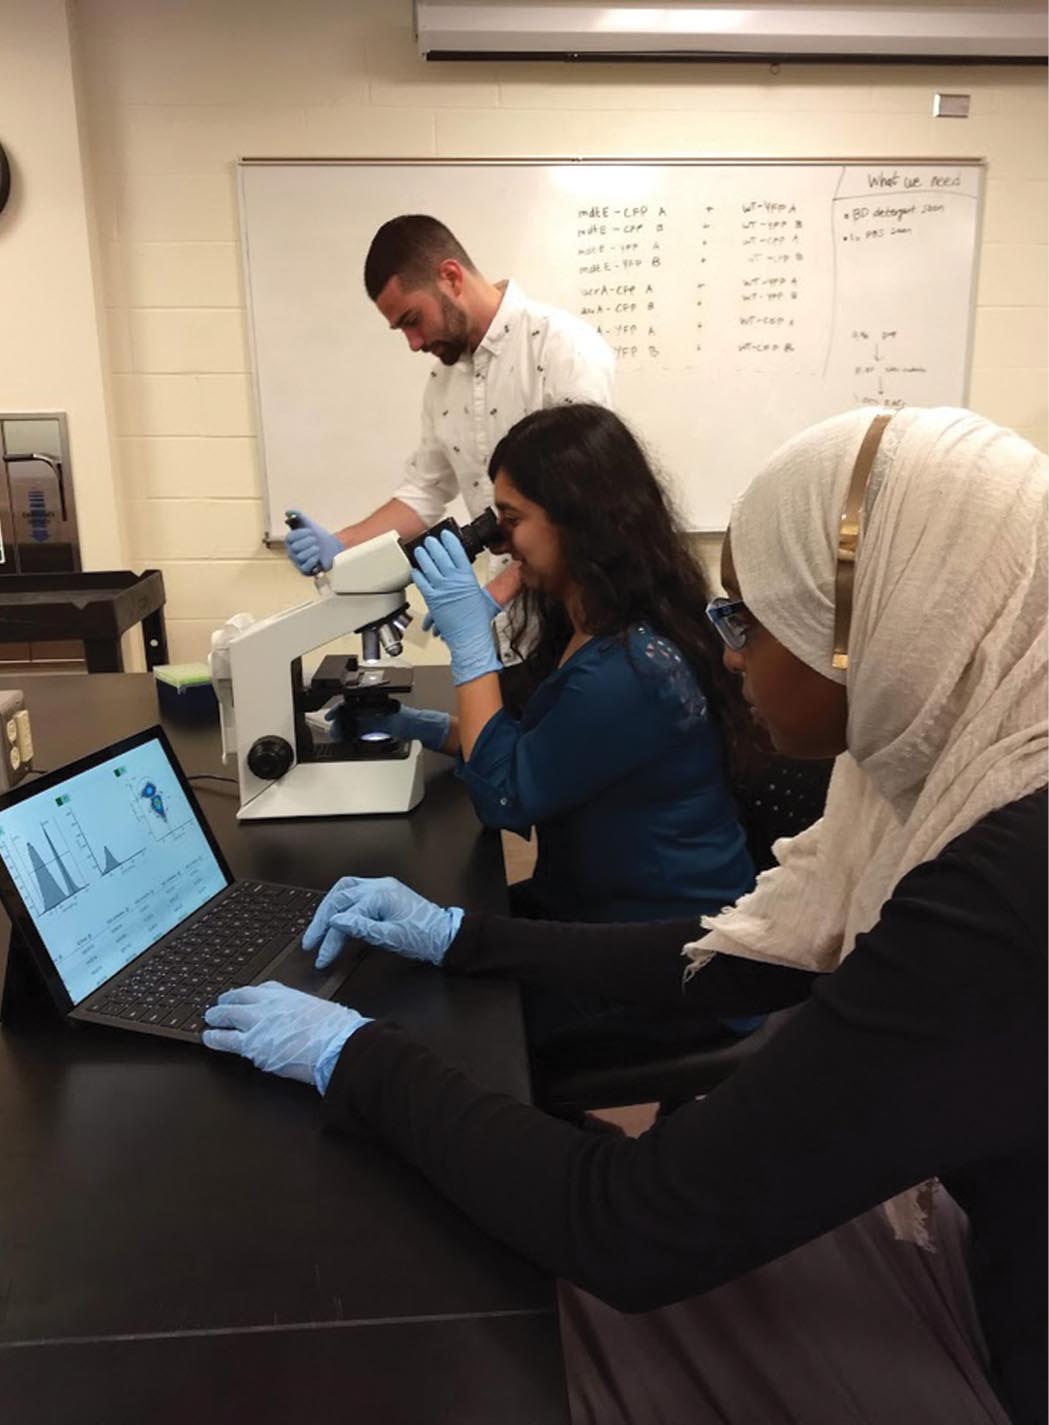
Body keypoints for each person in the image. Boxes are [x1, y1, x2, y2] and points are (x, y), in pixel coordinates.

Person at [203, 407, 1047, 1425]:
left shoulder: (1005, 887)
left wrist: (356, 1054)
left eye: (748, 620)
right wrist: (457, 936)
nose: (727, 658)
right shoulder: (944, 771)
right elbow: (731, 958)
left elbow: (632, 1229)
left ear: (877, 624)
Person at [335, 403, 757, 935]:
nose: (499, 540)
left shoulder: (630, 669)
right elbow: (535, 742)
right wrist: (428, 729)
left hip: (662, 949)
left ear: (580, 521)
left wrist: (470, 645)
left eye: (511, 520)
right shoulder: (593, 622)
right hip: (600, 905)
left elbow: (503, 798)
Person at [283, 214, 615, 613]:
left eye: (413, 320)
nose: (413, 343)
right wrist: (340, 544)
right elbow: (423, 493)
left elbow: (583, 499)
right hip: (512, 627)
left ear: (451, 278)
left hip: (580, 615)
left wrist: (498, 593)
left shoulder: (562, 348)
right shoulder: (443, 384)